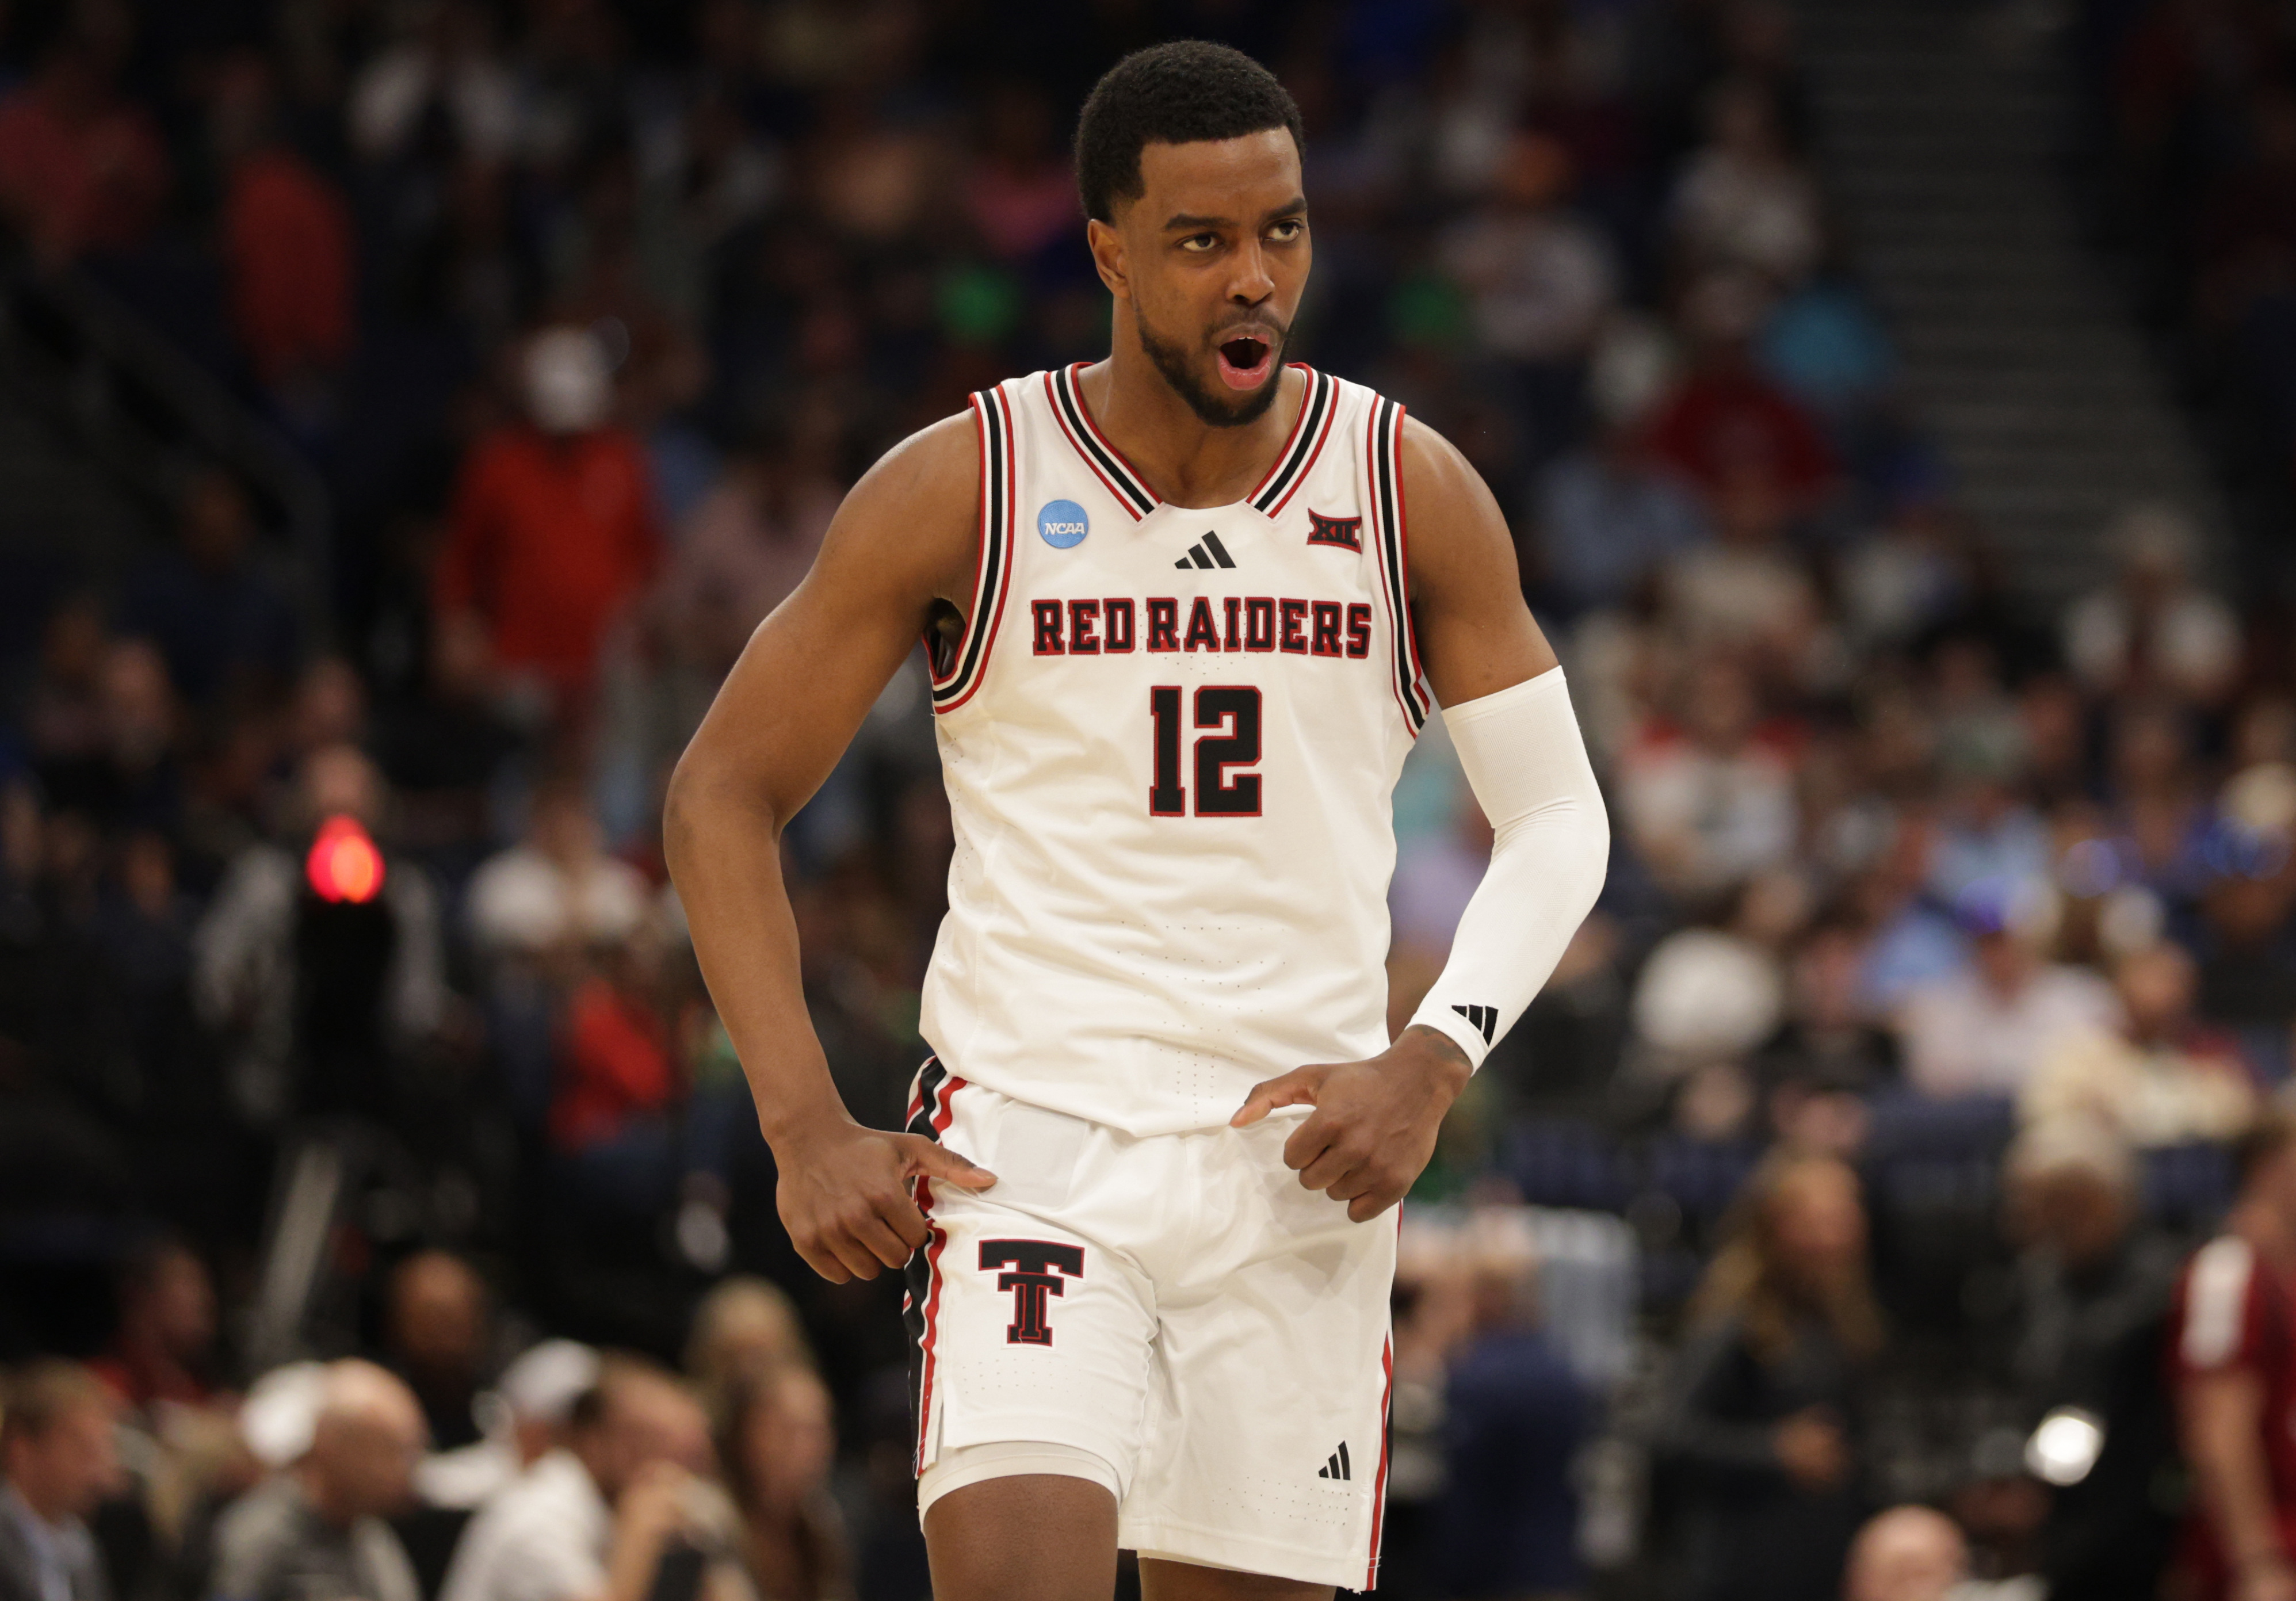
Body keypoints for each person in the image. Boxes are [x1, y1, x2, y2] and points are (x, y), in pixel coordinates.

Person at [664, 40, 1610, 1601]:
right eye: (1199, 241)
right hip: (1032, 1146)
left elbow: (1559, 816)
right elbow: (719, 790)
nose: (1252, 278)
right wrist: (801, 1123)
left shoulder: (1403, 484)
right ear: (1106, 249)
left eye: (1281, 231)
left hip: (1296, 1167)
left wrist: (1431, 1055)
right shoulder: (964, 481)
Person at [1652, 1153, 1882, 1601]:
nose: (1834, 1238)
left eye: (1843, 1220)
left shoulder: (1841, 1324)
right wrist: (1774, 1452)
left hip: (1817, 1566)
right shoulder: (1734, 1324)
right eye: (1817, 1222)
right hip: (1740, 1570)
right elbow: (1668, 1436)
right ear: (1773, 1229)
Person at [2000, 1121, 2180, 1601]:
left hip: (2138, 1511)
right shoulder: (2035, 1277)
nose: (2042, 1221)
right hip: (2054, 1501)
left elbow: (2091, 1375)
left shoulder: (2163, 1281)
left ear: (2109, 1199)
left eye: (2062, 1202)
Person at [437, 1357, 720, 1601]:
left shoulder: (614, 1509)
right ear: (589, 1440)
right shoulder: (538, 1515)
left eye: (683, 1451)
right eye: (643, 1441)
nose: (665, 1465)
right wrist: (637, 1536)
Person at [2167, 1109, 2296, 1600]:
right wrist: (2257, 1563)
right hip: (2267, 1556)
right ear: (2266, 1167)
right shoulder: (2225, 1274)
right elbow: (2218, 1429)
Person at [209, 1361, 426, 1601]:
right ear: (333, 1446)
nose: (405, 1474)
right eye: (387, 1453)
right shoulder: (261, 1537)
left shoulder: (373, 1539)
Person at [717, 1363, 851, 1601]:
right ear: (745, 1433)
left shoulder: (822, 1523)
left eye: (818, 1430)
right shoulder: (707, 1523)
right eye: (789, 1430)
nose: (811, 1448)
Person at [0, 1361, 124, 1601]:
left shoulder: (81, 1545)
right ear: (22, 1449)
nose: (99, 1474)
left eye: (101, 1451)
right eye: (81, 1450)